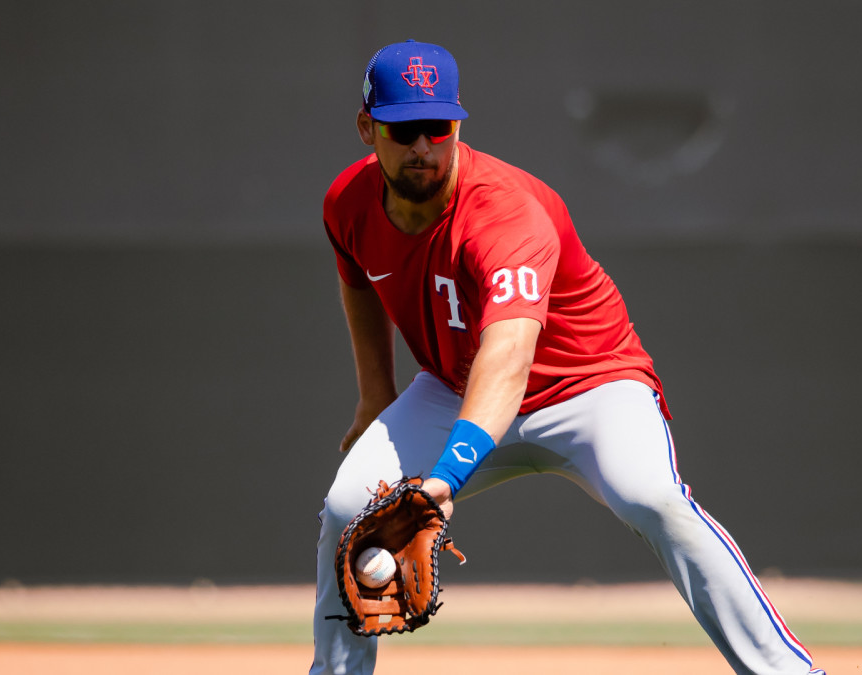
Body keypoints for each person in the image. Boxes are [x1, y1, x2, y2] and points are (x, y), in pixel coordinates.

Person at [312, 39, 825, 675]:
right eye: (405, 128)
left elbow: (507, 358)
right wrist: (373, 396)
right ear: (368, 128)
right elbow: (359, 279)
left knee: (653, 498)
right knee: (346, 508)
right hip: (453, 386)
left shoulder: (504, 213)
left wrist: (442, 482)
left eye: (438, 127)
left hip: (588, 386)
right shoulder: (348, 203)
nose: (423, 147)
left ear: (457, 126)